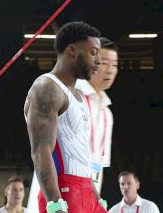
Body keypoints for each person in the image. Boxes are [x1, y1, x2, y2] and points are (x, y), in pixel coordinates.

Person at [23, 21, 108, 213]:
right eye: (93, 52)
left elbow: (80, 153)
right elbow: (41, 151)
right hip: (64, 192)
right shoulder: (47, 88)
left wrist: (95, 196)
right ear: (72, 50)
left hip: (86, 190)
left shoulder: (78, 95)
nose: (98, 61)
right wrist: (55, 204)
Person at [76, 37, 119, 193]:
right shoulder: (69, 97)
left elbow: (97, 167)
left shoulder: (106, 113)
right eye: (104, 63)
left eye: (114, 65)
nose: (110, 70)